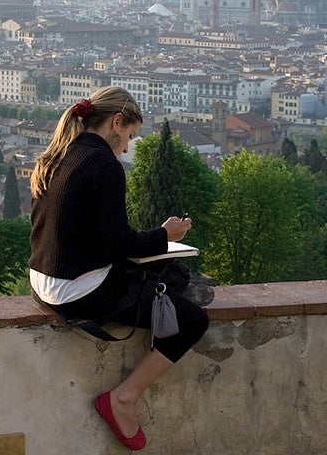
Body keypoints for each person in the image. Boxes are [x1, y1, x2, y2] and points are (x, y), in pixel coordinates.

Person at [28, 86, 209, 451]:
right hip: (78, 291)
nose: (127, 146)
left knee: (157, 282)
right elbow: (119, 244)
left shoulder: (59, 153)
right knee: (191, 319)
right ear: (115, 122)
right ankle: (123, 398)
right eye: (129, 135)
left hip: (42, 281)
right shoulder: (104, 165)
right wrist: (164, 235)